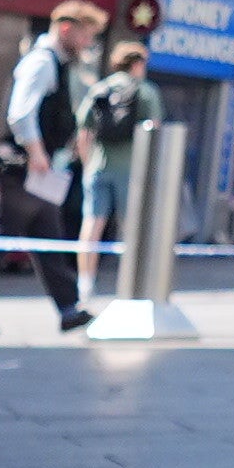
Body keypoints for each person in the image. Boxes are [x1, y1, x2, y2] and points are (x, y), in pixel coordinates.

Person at [0, 0, 109, 338]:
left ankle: (69, 309)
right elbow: (20, 113)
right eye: (85, 35)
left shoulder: (57, 64)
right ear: (66, 29)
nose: (88, 44)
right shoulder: (41, 63)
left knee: (48, 237)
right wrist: (36, 153)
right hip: (24, 168)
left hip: (36, 170)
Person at [77, 40, 156, 296]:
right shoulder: (145, 91)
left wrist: (87, 163)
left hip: (98, 165)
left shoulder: (100, 89)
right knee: (130, 227)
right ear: (138, 64)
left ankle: (85, 283)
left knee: (92, 223)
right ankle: (129, 283)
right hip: (131, 169)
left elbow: (83, 130)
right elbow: (153, 130)